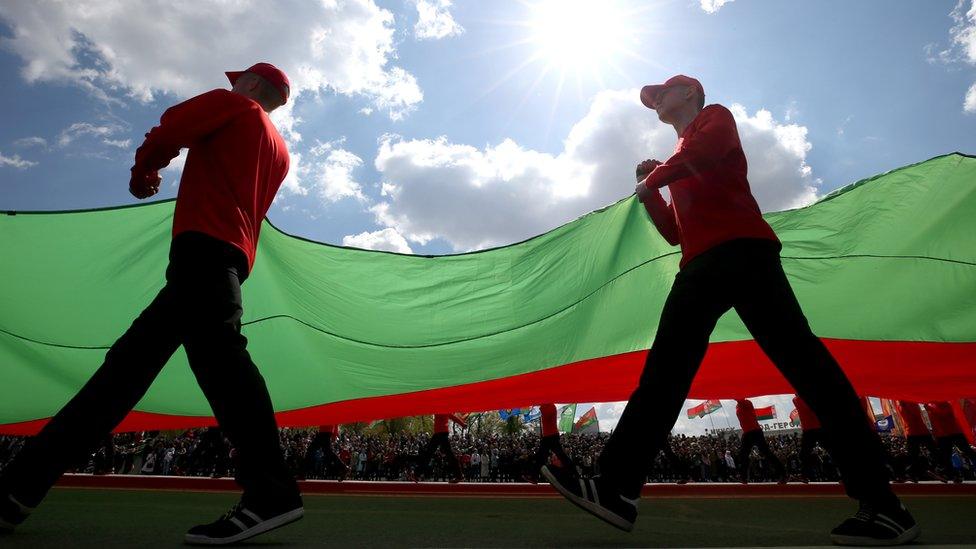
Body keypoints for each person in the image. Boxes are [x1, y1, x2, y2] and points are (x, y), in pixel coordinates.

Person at [541, 74, 918, 545]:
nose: (655, 100)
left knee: (805, 369)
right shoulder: (678, 161)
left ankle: (883, 505)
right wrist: (650, 190)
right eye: (651, 97)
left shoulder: (713, 120)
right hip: (702, 263)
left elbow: (700, 157)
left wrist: (656, 176)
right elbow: (676, 234)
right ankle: (615, 488)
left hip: (742, 253)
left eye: (663, 92)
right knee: (669, 372)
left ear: (691, 93)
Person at [0, 62, 304, 545]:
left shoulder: (233, 106)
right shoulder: (280, 151)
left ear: (251, 85)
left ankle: (271, 492)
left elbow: (172, 126)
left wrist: (144, 170)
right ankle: (17, 491)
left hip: (202, 252)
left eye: (238, 79)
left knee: (203, 364)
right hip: (227, 257)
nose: (231, 84)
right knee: (125, 372)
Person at [734, 399, 787, 484]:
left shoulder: (747, 402)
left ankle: (783, 475)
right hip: (747, 433)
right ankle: (743, 478)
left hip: (755, 431)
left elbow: (739, 399)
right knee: (743, 456)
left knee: (767, 453)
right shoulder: (737, 406)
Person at [924, 401, 976, 483]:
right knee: (946, 456)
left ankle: (948, 473)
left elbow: (944, 412)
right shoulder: (932, 404)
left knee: (966, 451)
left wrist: (930, 408)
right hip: (944, 434)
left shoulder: (943, 403)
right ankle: (952, 475)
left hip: (952, 431)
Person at [894, 400, 945, 482]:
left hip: (917, 431)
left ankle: (936, 470)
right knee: (923, 453)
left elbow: (915, 414)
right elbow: (914, 414)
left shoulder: (905, 403)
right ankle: (915, 473)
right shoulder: (903, 403)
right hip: (916, 432)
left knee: (924, 453)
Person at [524, 404, 575, 483]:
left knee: (545, 456)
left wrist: (537, 407)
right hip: (550, 436)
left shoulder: (548, 407)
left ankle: (533, 475)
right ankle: (533, 475)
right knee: (545, 456)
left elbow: (543, 414)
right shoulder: (550, 406)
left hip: (550, 436)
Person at [415, 413, 467, 482]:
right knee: (448, 455)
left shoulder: (442, 408)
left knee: (429, 454)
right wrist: (462, 424)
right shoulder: (442, 408)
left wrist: (462, 424)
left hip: (440, 434)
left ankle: (417, 474)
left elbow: (453, 417)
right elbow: (453, 417)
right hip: (441, 434)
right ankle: (459, 475)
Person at [793, 396, 824, 482]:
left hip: (811, 430)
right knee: (803, 454)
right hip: (816, 429)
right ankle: (804, 475)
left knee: (804, 454)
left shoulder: (796, 400)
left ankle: (804, 475)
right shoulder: (796, 400)